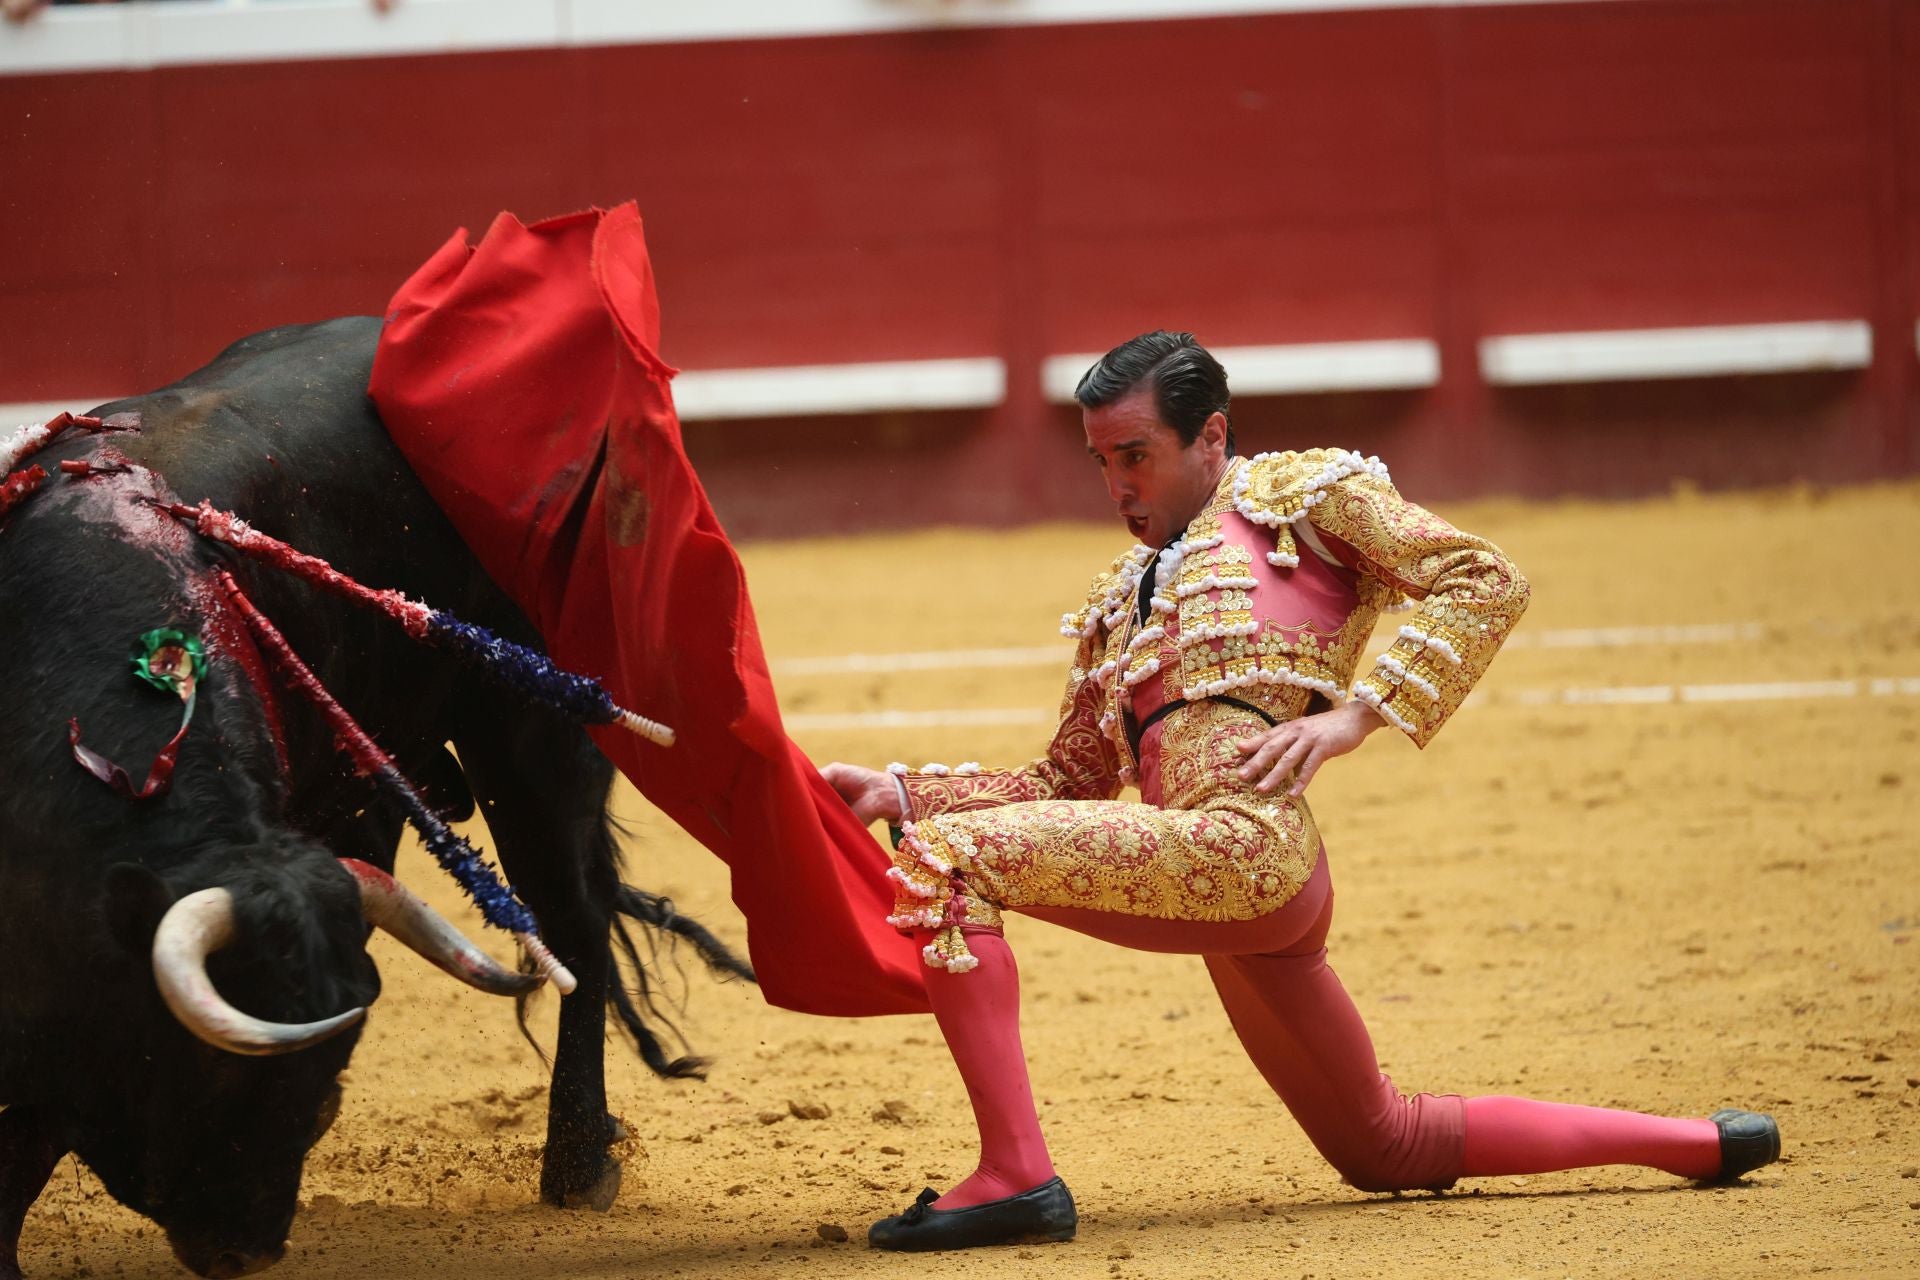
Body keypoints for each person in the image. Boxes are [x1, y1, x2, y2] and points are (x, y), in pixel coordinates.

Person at [821, 330, 1779, 1252]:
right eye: (1102, 460)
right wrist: (905, 793)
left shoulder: (1301, 499)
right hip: (1222, 882)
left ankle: (1015, 1175)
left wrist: (1357, 715)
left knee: (948, 868)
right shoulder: (1123, 597)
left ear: (1212, 436)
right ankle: (1702, 1143)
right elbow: (1066, 781)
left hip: (1248, 850)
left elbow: (1483, 577)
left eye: (1136, 455)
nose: (1117, 485)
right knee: (1384, 1145)